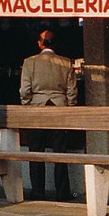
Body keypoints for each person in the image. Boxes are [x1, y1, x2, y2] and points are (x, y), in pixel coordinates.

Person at [18, 29, 77, 200]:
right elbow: (72, 92)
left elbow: (24, 90)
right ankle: (62, 192)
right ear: (55, 44)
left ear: (39, 43)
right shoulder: (66, 63)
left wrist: (27, 104)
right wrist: (70, 108)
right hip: (59, 108)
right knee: (60, 151)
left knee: (36, 150)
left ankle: (37, 191)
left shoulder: (30, 62)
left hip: (37, 109)